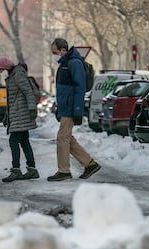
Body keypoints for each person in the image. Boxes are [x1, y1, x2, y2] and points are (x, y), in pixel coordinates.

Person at [47, 38, 101, 181]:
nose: (56, 56)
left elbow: (80, 88)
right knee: (67, 138)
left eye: (56, 52)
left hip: (71, 107)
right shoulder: (65, 64)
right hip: (66, 106)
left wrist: (77, 110)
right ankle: (90, 164)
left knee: (62, 138)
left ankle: (64, 171)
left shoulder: (74, 63)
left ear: (63, 50)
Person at [0, 56, 40, 182]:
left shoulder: (18, 74)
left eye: (1, 69)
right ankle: (32, 169)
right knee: (24, 141)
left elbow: (28, 91)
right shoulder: (13, 75)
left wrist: (32, 108)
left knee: (13, 141)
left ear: (6, 67)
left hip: (22, 113)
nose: (1, 72)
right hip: (17, 113)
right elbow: (12, 100)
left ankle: (16, 170)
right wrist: (7, 117)